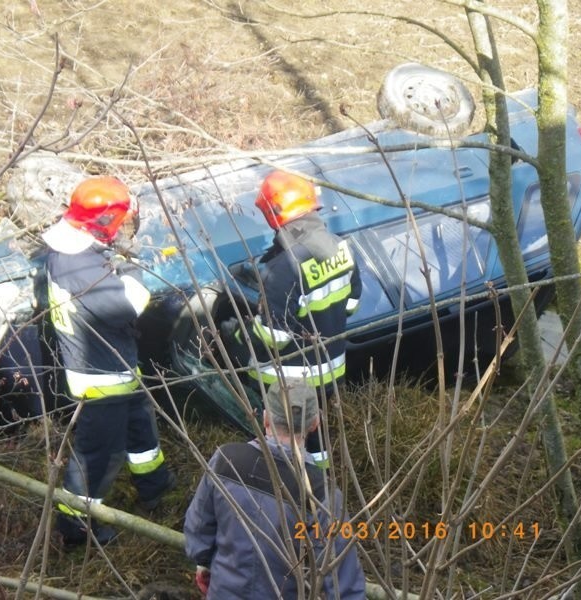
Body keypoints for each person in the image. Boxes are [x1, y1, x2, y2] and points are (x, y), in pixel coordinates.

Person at [43, 176, 175, 546]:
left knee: (140, 431)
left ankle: (155, 485)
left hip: (118, 370)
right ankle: (75, 527)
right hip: (99, 378)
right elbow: (128, 305)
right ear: (103, 222)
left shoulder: (74, 253)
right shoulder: (77, 265)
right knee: (97, 456)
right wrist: (132, 270)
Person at [224, 170, 361, 467]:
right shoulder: (341, 247)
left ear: (274, 212)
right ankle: (321, 479)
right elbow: (351, 304)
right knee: (316, 430)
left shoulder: (283, 268)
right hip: (331, 369)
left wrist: (240, 331)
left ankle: (288, 484)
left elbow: (275, 337)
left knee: (285, 438)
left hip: (288, 380)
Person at [184, 378, 366, 599]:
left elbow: (198, 530)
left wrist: (203, 563)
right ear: (315, 424)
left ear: (265, 418)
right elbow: (342, 584)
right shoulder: (321, 493)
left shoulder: (225, 460)